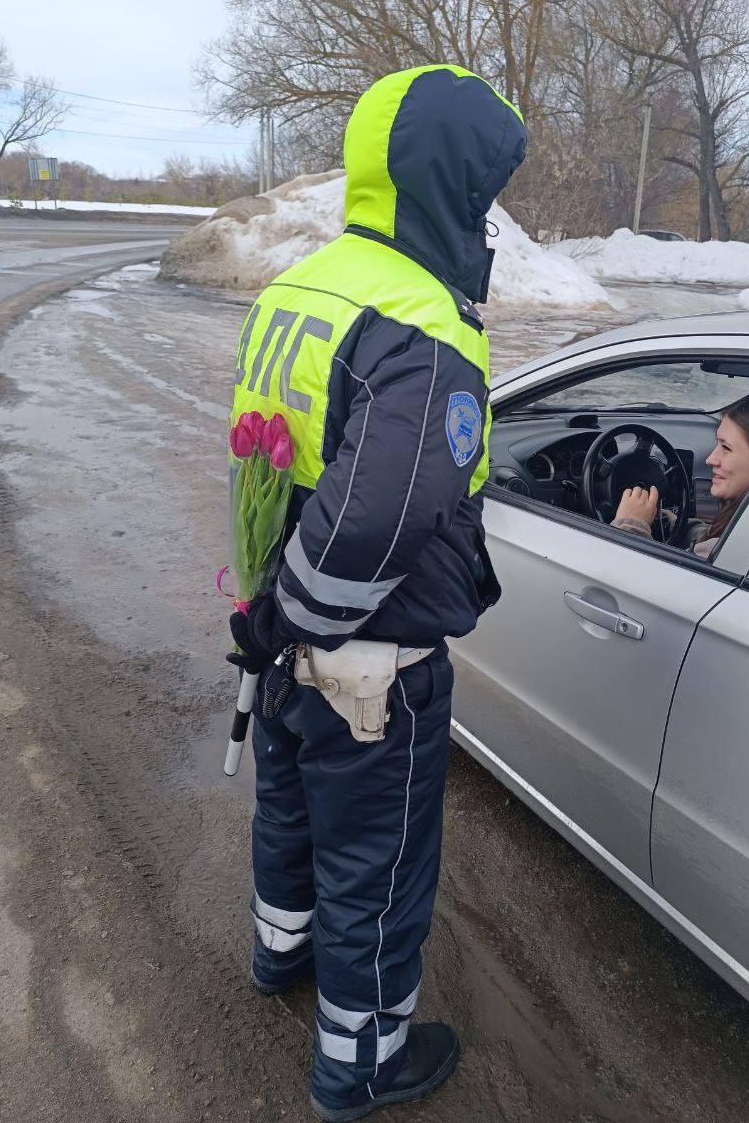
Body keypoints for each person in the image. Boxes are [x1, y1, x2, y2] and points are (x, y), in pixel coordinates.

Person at [227, 65, 527, 1121]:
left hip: (287, 651)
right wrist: (294, 614)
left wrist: (267, 619)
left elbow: (270, 468)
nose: (488, 221)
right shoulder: (424, 326)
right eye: (483, 193)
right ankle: (360, 1066)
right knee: (379, 869)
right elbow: (376, 518)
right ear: (447, 186)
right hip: (372, 667)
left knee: (291, 818)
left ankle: (279, 954)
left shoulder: (302, 287)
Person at [611, 393, 749, 557]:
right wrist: (678, 525)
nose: (711, 459)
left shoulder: (734, 551)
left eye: (726, 448)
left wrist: (631, 524)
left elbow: (640, 585)